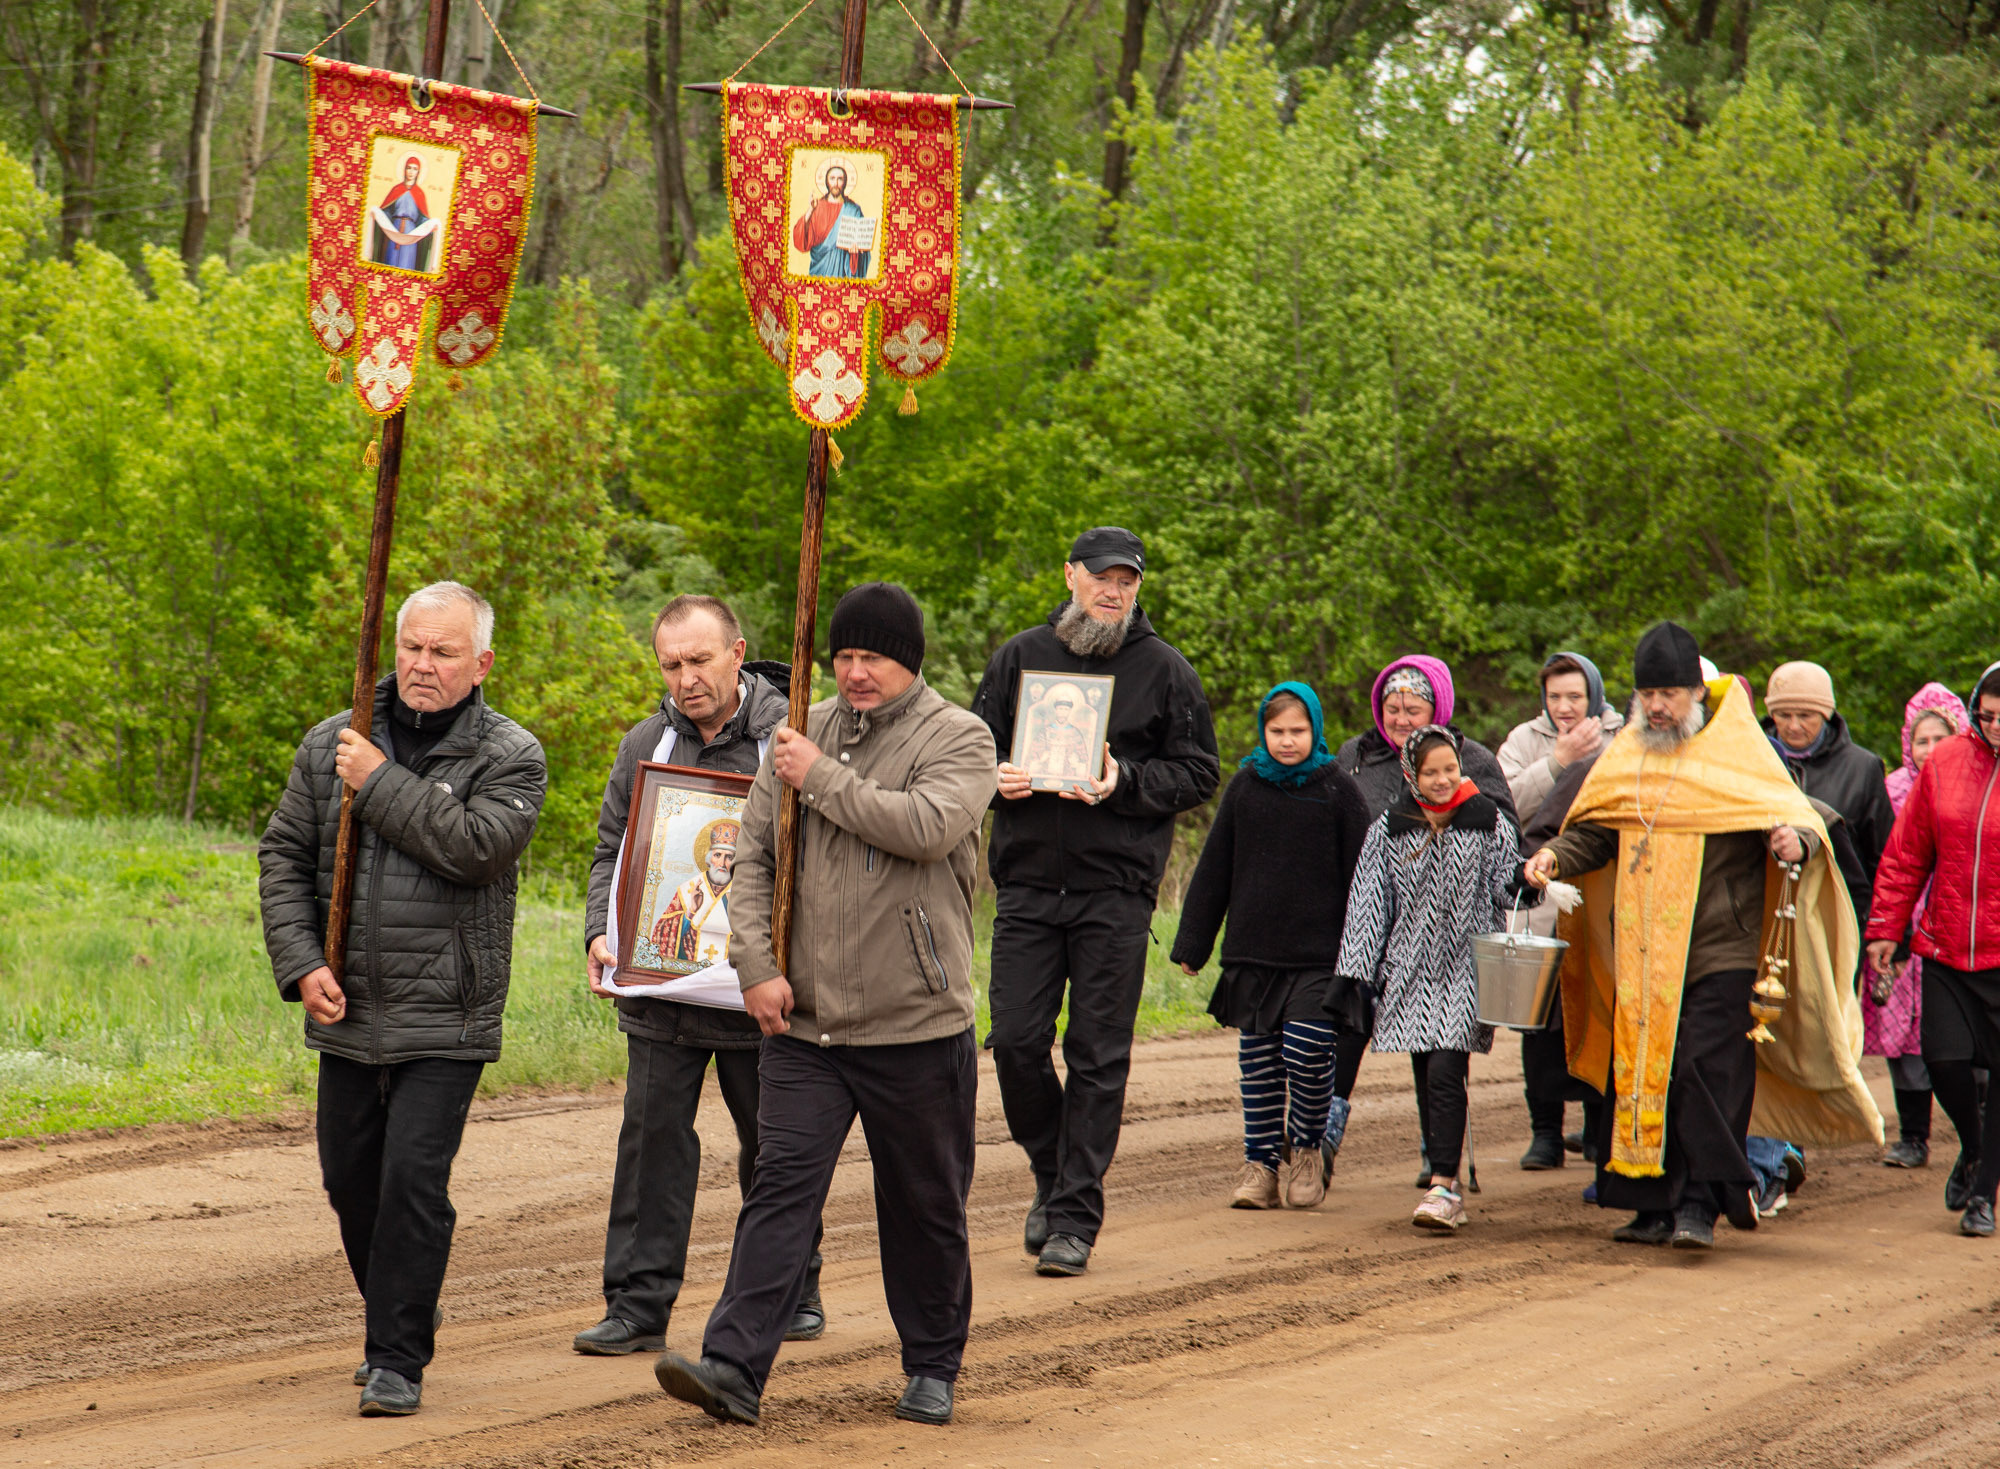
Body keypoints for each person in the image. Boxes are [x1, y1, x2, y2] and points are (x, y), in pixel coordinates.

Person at [654, 583, 997, 1427]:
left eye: (870, 656)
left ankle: (931, 1365)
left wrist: (823, 776)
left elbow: (925, 826)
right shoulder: (799, 730)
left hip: (917, 1022)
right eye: (842, 656)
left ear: (906, 659)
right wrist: (757, 967)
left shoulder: (960, 736)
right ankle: (733, 1366)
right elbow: (752, 863)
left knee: (923, 1202)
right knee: (779, 1191)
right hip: (806, 1025)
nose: (853, 672)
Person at [258, 581, 546, 1416]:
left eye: (444, 652)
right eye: (413, 647)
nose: (422, 665)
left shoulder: (510, 755)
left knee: (415, 1180)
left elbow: (475, 848)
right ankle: (404, 1300)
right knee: (352, 1181)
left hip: (447, 1015)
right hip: (348, 1007)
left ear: (482, 662)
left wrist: (377, 779)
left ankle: (395, 1357)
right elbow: (282, 856)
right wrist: (302, 962)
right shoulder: (330, 743)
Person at [1523, 622, 1880, 1250]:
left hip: (1723, 946)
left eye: (1670, 693)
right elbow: (1597, 830)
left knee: (1699, 1068)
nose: (1657, 706)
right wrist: (1555, 856)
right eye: (1647, 694)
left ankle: (1699, 1203)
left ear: (1697, 691)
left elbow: (1801, 815)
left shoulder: (1738, 749)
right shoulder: (1628, 754)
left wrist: (1792, 841)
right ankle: (1654, 1205)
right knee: (1641, 1073)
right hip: (1642, 948)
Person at [574, 596, 830, 1358]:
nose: (686, 678)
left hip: (762, 993)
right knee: (652, 1146)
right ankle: (636, 1306)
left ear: (737, 652)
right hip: (663, 992)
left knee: (774, 1151)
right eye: (671, 664)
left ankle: (795, 1288)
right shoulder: (645, 743)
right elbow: (612, 849)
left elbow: (822, 855)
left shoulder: (791, 737)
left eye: (700, 660)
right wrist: (601, 929)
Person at [971, 527, 1220, 1278]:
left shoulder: (1165, 671)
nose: (1114, 591)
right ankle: (1052, 1171)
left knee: (1097, 1055)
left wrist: (1128, 783)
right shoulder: (1019, 656)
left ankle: (1075, 1216)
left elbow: (1200, 771)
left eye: (1128, 581)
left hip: (1115, 892)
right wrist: (998, 777)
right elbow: (967, 754)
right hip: (1025, 888)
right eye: (1102, 577)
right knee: (1014, 1041)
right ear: (1071, 576)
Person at [1170, 683, 1370, 1210]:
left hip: (1319, 956)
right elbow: (1215, 868)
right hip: (1253, 952)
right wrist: (1194, 942)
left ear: (1316, 731)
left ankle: (1306, 1150)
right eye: (1276, 731)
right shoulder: (1245, 788)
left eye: (1297, 731)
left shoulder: (1338, 793)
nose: (1286, 741)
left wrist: (1367, 951)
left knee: (1306, 1050)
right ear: (1263, 731)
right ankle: (1261, 1166)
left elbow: (1364, 880)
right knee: (1259, 1063)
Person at [1333, 654, 1519, 1185]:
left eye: (1412, 707)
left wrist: (1526, 882)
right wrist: (1355, 969)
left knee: (1445, 1064)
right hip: (1406, 954)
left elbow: (1509, 874)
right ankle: (1424, 1150)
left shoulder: (1481, 790)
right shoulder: (1380, 811)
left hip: (1466, 957)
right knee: (1425, 1056)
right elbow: (1370, 897)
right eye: (1391, 708)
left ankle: (1443, 1179)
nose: (1400, 717)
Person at [1745, 661, 1897, 1213]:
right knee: (1763, 1037)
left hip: (1837, 924)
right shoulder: (1754, 758)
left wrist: (1885, 933)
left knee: (1819, 1034)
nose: (1792, 725)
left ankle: (1794, 1139)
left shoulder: (1861, 769)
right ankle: (1767, 1157)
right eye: (1782, 714)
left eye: (1805, 715)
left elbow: (1884, 857)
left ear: (1827, 713)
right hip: (1767, 923)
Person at [1867, 662, 2000, 1237]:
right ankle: (1972, 1151)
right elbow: (1905, 854)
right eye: (1987, 716)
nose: (1995, 727)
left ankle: (1984, 1196)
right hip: (1945, 944)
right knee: (1944, 1062)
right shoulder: (1946, 762)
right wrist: (1885, 931)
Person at [1497, 651, 1625, 1169]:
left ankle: (1597, 1129)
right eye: (1554, 697)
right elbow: (1501, 801)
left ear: (1593, 694)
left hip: (1601, 896)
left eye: (1575, 696)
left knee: (1597, 1010)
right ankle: (1545, 1132)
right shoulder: (1523, 740)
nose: (1565, 707)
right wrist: (1555, 763)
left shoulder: (1624, 735)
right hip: (1540, 894)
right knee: (1538, 1018)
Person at [1867, 683, 1969, 1169]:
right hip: (1902, 933)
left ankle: (1979, 1135)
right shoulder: (1890, 791)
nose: (1930, 750)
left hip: (1957, 929)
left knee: (1963, 1035)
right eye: (1921, 740)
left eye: (1941, 738)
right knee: (1901, 1033)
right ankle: (1913, 1136)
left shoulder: (1975, 785)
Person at [792, 161, 870, 278]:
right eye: (832, 178)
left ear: (845, 182)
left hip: (843, 271)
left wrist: (856, 252)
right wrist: (810, 210)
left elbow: (863, 245)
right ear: (827, 182)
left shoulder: (853, 210)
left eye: (840, 179)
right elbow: (801, 240)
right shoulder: (817, 207)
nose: (836, 183)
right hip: (820, 270)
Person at [370, 156, 439, 271]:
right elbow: (386, 211)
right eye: (409, 168)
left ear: (418, 172)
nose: (411, 172)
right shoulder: (396, 189)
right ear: (404, 170)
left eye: (415, 169)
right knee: (390, 262)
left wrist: (431, 226)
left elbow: (423, 218)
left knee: (406, 264)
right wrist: (377, 215)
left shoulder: (419, 193)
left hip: (410, 233)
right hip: (393, 231)